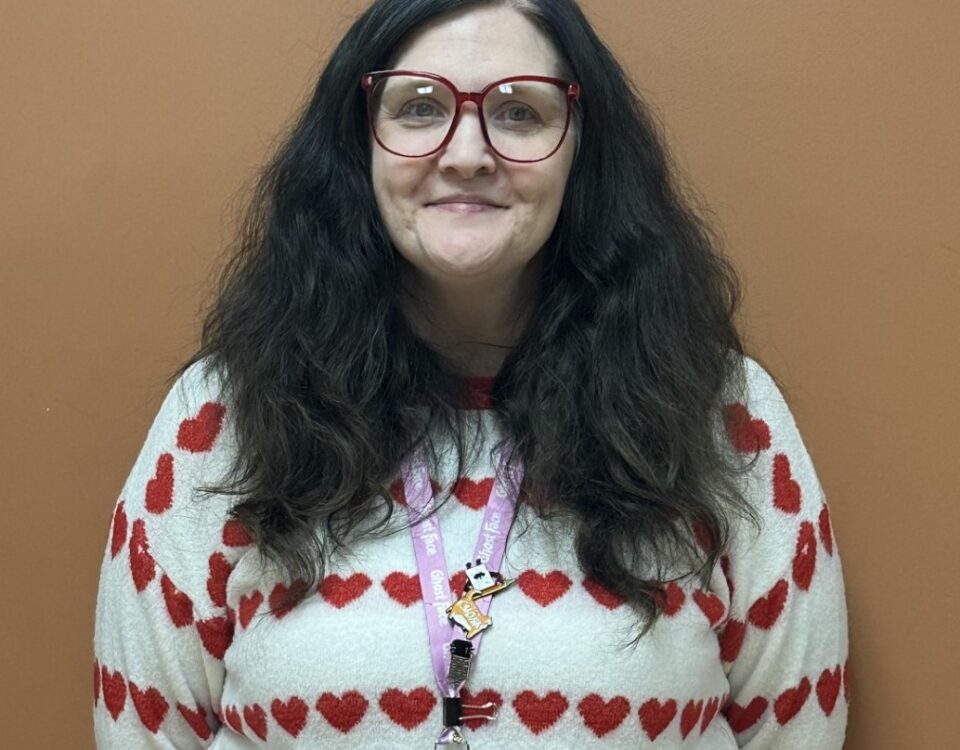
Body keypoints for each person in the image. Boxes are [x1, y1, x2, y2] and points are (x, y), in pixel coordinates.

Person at [92, 0, 849, 747]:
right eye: (419, 107)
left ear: (583, 149)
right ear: (360, 145)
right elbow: (144, 734)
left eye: (520, 113)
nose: (466, 154)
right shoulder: (223, 415)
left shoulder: (721, 413)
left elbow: (798, 733)